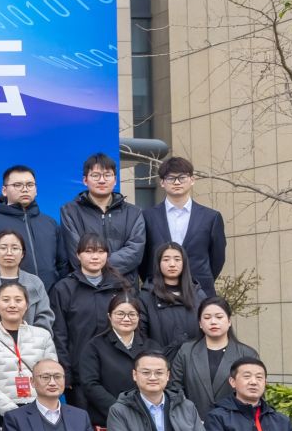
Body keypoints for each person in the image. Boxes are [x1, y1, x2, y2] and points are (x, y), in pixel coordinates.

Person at [49, 233, 135, 368]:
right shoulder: (64, 289)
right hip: (79, 366)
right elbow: (59, 334)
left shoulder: (120, 286)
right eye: (88, 251)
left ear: (107, 255)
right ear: (78, 255)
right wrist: (66, 370)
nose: (95, 257)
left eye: (101, 251)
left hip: (116, 366)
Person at [0, 280, 57, 415]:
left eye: (18, 300)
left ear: (27, 305)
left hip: (40, 411)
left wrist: (39, 409)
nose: (12, 305)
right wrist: (13, 413)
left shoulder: (43, 336)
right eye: (5, 300)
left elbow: (53, 376)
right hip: (2, 414)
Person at [170, 297, 261, 419]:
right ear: (200, 323)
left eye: (219, 317)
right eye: (207, 318)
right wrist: (188, 417)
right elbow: (174, 389)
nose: (213, 322)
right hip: (194, 423)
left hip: (235, 424)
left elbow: (255, 393)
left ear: (229, 321)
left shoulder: (247, 354)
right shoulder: (186, 351)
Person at [59, 153, 147, 279]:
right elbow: (75, 252)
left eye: (107, 175)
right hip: (85, 285)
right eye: (95, 175)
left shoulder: (134, 213)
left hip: (123, 285)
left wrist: (97, 265)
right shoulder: (70, 211)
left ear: (115, 180)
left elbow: (135, 251)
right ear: (85, 180)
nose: (102, 180)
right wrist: (97, 268)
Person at [144, 156, 227, 289]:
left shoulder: (211, 217)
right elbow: (143, 259)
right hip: (158, 290)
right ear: (162, 182)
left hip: (200, 290)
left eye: (182, 177)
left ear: (192, 180)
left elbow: (217, 258)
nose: (177, 182)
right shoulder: (147, 216)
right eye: (171, 178)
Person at [73, 293, 159, 419]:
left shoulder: (151, 347)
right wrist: (119, 409)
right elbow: (90, 385)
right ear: (109, 316)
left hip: (147, 416)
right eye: (120, 314)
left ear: (138, 317)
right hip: (109, 417)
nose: (126, 319)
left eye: (132, 314)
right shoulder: (94, 347)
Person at [0, 164, 65, 286]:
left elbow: (62, 264)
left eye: (30, 185)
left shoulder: (50, 223)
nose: (25, 189)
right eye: (17, 185)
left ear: (36, 189)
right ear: (4, 190)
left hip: (49, 295)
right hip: (7, 295)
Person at [0, 230, 56, 341]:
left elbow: (44, 316)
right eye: (3, 248)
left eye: (15, 248)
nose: (9, 253)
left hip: (30, 346)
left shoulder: (35, 282)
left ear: (22, 254)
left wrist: (32, 343)